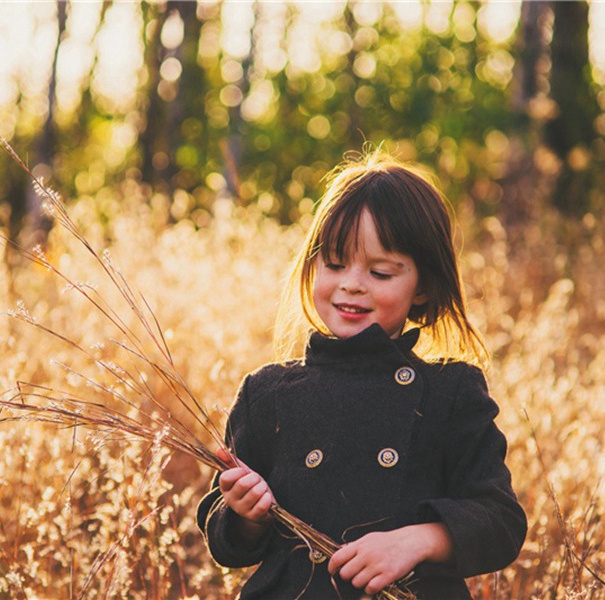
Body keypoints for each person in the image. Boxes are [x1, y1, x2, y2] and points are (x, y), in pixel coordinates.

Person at [197, 150, 527, 599]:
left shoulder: (450, 391)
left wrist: (416, 541)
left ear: (424, 287)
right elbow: (224, 539)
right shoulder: (268, 392)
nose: (352, 283)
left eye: (380, 271)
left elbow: (501, 522)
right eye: (334, 264)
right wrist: (245, 514)